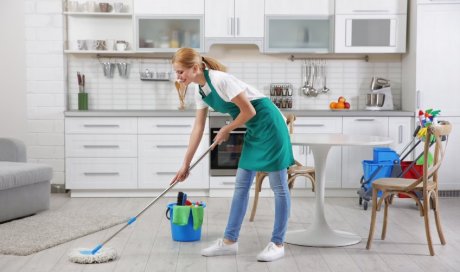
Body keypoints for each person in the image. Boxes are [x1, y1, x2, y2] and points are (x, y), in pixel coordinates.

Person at [171, 48, 294, 262]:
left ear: (195, 68)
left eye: (181, 72)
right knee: (241, 185)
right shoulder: (200, 90)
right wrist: (186, 165)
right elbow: (198, 128)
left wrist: (227, 128)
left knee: (279, 187)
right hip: (255, 130)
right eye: (177, 72)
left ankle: (278, 243)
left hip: (270, 125)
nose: (178, 77)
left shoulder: (220, 80)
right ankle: (230, 241)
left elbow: (250, 111)